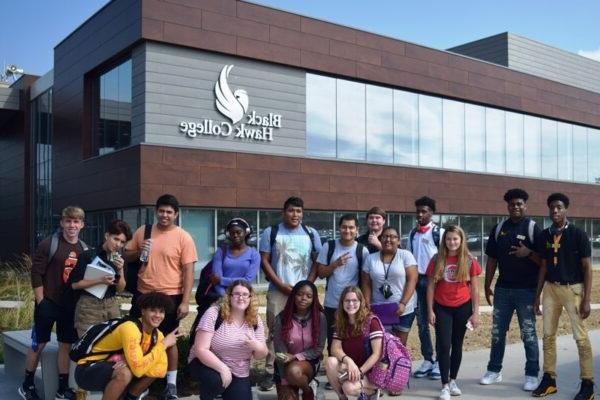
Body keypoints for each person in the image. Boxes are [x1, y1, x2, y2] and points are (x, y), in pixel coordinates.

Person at [125, 194, 198, 400]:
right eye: (161, 210)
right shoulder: (144, 231)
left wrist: (185, 301)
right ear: (156, 211)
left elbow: (189, 272)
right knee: (138, 337)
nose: (165, 215)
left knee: (170, 340)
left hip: (170, 296)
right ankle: (140, 383)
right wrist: (139, 250)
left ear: (175, 214)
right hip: (143, 294)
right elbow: (127, 255)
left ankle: (171, 385)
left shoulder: (184, 237)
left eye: (169, 212)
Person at [20, 206, 88, 400]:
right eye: (68, 221)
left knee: (65, 346)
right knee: (38, 344)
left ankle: (62, 388)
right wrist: (41, 301)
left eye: (76, 222)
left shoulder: (84, 249)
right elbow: (36, 274)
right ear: (62, 223)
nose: (72, 225)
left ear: (82, 224)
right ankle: (27, 385)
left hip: (70, 307)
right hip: (48, 303)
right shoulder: (49, 244)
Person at [532, 193, 594, 400]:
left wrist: (586, 299)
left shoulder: (578, 234)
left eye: (559, 207)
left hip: (573, 290)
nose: (555, 211)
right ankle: (549, 379)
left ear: (566, 209)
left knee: (581, 337)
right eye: (552, 207)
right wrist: (537, 296)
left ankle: (587, 384)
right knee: (548, 336)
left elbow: (587, 267)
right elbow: (543, 266)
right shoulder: (545, 235)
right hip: (551, 289)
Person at [480, 189, 541, 390]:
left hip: (527, 291)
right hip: (503, 290)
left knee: (529, 334)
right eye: (512, 204)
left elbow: (544, 262)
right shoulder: (499, 229)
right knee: (498, 333)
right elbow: (492, 260)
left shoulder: (533, 228)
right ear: (508, 206)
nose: (515, 207)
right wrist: (487, 284)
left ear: (525, 205)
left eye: (519, 203)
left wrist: (528, 252)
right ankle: (494, 370)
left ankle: (532, 374)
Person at [258, 196, 322, 391]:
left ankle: (304, 369)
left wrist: (307, 285)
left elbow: (317, 263)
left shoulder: (311, 233)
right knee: (275, 333)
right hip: (279, 291)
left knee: (307, 330)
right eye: (291, 210)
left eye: (299, 211)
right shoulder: (271, 232)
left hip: (304, 292)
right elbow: (265, 261)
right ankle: (272, 373)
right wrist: (280, 284)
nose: (295, 215)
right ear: (283, 212)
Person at [74, 292, 180, 400]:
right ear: (143, 311)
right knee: (125, 373)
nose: (158, 315)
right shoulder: (130, 328)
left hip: (112, 367)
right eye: (153, 310)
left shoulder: (158, 335)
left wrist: (133, 362)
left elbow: (160, 369)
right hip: (87, 370)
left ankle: (131, 396)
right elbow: (138, 369)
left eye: (161, 312)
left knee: (150, 364)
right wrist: (163, 345)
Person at [188, 280, 268, 400]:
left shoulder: (254, 319)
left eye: (245, 294)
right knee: (216, 381)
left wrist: (258, 347)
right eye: (236, 294)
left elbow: (260, 355)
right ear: (229, 296)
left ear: (251, 298)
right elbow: (200, 349)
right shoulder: (214, 313)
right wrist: (223, 368)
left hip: (239, 371)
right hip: (207, 364)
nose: (241, 297)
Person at [426, 225, 481, 400]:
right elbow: (430, 287)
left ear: (461, 240)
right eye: (449, 239)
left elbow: (474, 288)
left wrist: (476, 312)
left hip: (463, 307)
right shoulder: (437, 259)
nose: (452, 242)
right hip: (442, 307)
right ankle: (444, 386)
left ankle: (453, 380)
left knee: (457, 345)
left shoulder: (469, 260)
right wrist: (430, 310)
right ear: (444, 241)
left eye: (455, 239)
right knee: (444, 345)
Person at [70, 219, 132, 337]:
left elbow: (120, 289)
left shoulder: (121, 259)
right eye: (116, 239)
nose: (118, 244)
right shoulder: (88, 255)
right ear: (107, 235)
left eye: (122, 242)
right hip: (89, 305)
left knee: (112, 345)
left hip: (111, 304)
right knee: (88, 347)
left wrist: (120, 270)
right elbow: (75, 285)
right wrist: (100, 280)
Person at [317, 214, 369, 354]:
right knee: (333, 342)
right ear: (339, 228)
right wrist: (335, 264)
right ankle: (334, 372)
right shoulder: (329, 246)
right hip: (332, 304)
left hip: (353, 305)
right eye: (344, 227)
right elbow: (321, 273)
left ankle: (352, 372)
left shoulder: (362, 250)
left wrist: (365, 303)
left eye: (351, 227)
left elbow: (365, 279)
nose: (348, 230)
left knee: (353, 341)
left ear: (357, 229)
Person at [361, 226, 418, 347]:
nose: (388, 239)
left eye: (393, 237)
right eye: (385, 236)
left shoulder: (405, 255)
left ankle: (399, 366)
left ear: (398, 241)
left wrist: (403, 303)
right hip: (379, 309)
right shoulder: (370, 258)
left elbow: (412, 280)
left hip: (402, 310)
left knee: (399, 346)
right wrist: (367, 304)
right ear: (380, 239)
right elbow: (366, 283)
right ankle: (381, 367)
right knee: (380, 345)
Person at [325, 286, 383, 400]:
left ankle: (373, 392)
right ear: (342, 303)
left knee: (349, 387)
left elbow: (377, 354)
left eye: (355, 300)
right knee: (330, 362)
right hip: (353, 366)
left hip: (371, 371)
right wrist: (349, 361)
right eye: (347, 300)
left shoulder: (371, 321)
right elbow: (335, 349)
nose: (351, 304)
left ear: (361, 302)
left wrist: (360, 372)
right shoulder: (342, 321)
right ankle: (342, 397)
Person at [407, 196, 443, 380]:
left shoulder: (440, 233)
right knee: (422, 323)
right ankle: (428, 359)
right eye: (418, 211)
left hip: (435, 283)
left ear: (432, 213)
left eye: (424, 211)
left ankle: (440, 361)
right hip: (417, 282)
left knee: (437, 322)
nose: (420, 214)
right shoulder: (413, 233)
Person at [273, 280, 327, 400]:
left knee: (294, 370)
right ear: (293, 296)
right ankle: (297, 385)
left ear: (314, 299)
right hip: (284, 365)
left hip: (308, 362)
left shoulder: (320, 318)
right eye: (300, 294)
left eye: (309, 296)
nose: (303, 298)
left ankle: (307, 390)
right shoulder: (281, 319)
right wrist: (284, 382)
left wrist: (295, 357)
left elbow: (318, 349)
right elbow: (280, 355)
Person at [209, 218, 260, 296]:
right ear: (228, 235)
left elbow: (247, 281)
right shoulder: (221, 252)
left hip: (243, 298)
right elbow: (215, 281)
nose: (235, 235)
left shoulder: (254, 254)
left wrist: (222, 280)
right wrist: (226, 298)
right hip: (222, 299)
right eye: (232, 233)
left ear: (246, 232)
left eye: (238, 232)